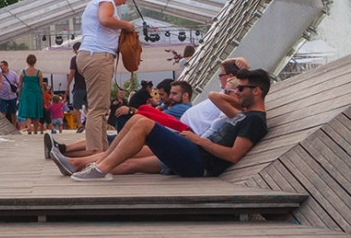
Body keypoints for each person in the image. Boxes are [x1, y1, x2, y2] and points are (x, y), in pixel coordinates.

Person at [67, 69, 272, 181]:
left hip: (200, 162)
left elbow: (234, 155)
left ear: (257, 91)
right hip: (195, 152)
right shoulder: (245, 115)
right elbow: (216, 97)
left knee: (144, 123)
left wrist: (199, 140)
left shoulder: (255, 120)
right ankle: (100, 164)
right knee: (138, 119)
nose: (237, 93)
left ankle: (100, 169)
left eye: (241, 89)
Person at [73, 0, 134, 157]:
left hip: (91, 55)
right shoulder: (106, 1)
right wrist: (127, 26)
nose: (124, 2)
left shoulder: (97, 1)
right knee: (98, 109)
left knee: (100, 107)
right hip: (98, 55)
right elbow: (105, 20)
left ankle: (101, 150)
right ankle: (95, 153)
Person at [17, 54, 46, 134]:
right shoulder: (39, 72)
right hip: (36, 93)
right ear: (35, 61)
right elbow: (41, 85)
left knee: (28, 111)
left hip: (26, 93)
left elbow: (20, 84)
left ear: (27, 61)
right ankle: (35, 130)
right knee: (36, 111)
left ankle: (29, 128)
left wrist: (19, 94)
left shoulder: (22, 72)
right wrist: (43, 95)